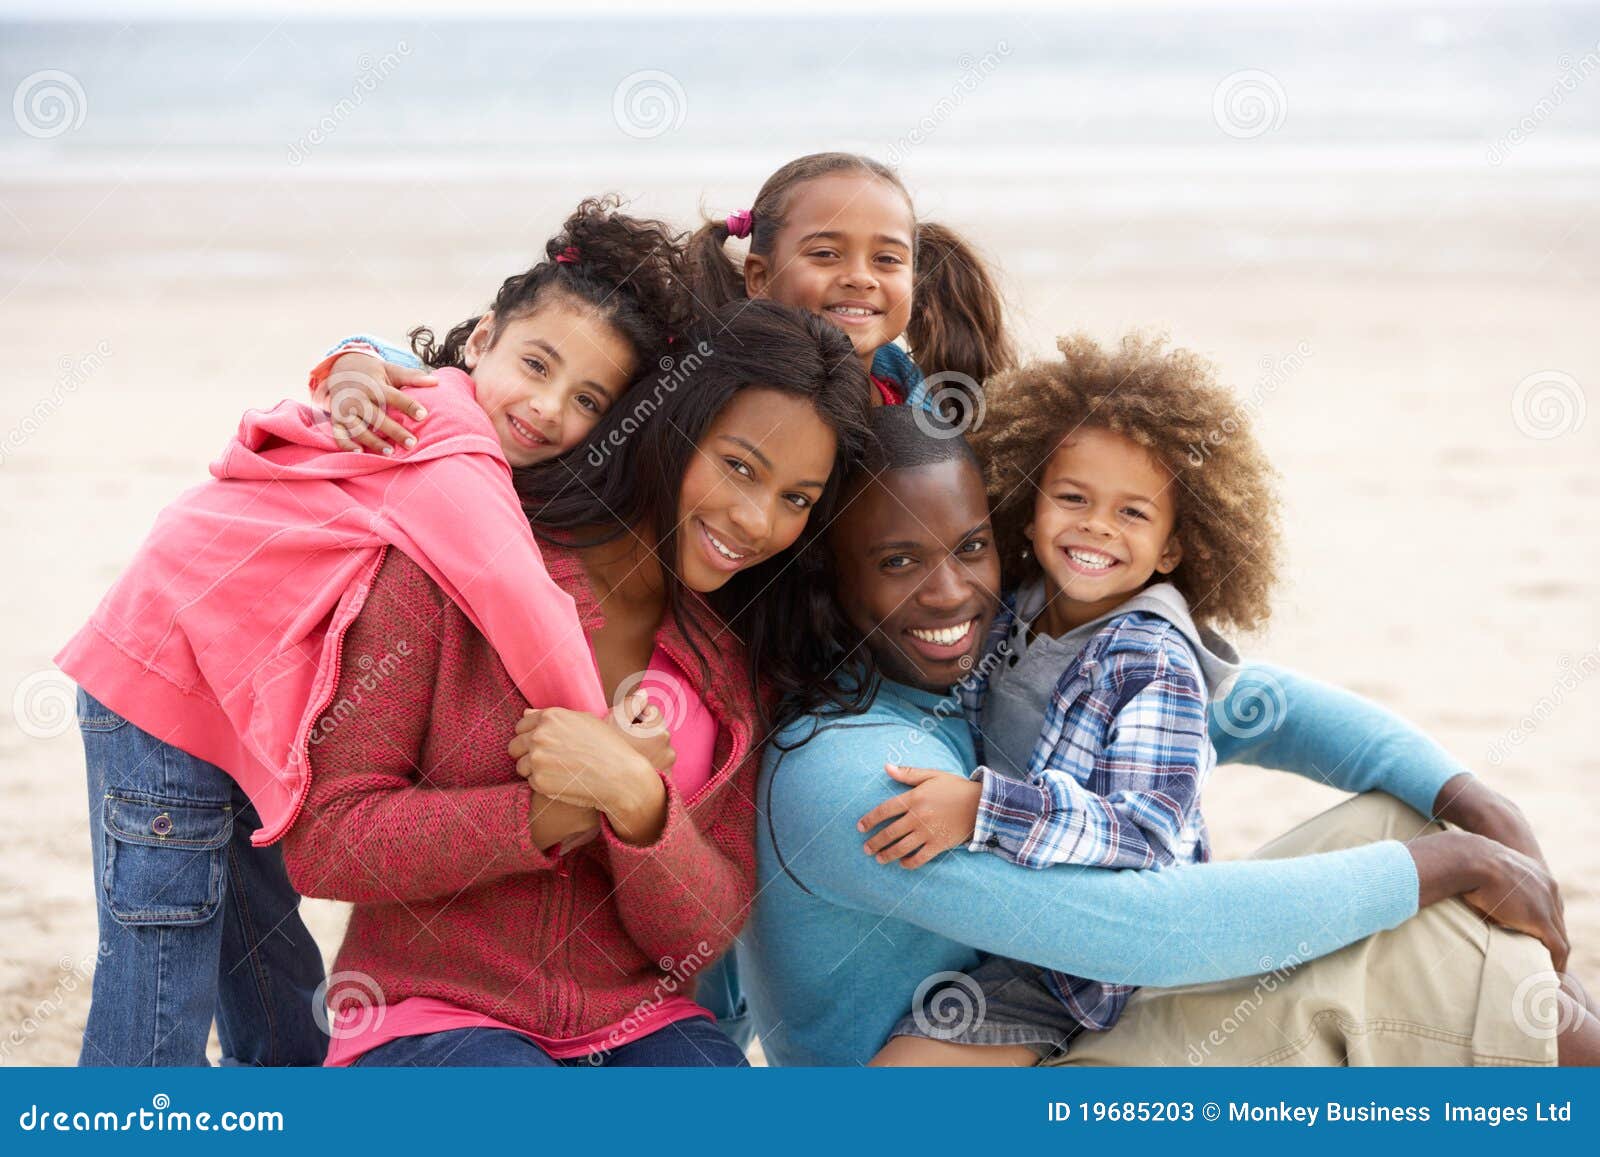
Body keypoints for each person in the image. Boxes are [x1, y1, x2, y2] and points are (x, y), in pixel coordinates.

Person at [738, 403, 1592, 1067]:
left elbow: (1255, 706)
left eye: (971, 548)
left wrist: (1469, 799)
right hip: (1017, 1059)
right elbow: (1148, 931)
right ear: (828, 577)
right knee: (1414, 943)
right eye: (898, 562)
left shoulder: (980, 653)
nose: (950, 592)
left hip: (1062, 1002)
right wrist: (1449, 866)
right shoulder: (854, 772)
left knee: (1402, 819)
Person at [56, 198, 688, 1066]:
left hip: (222, 695)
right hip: (163, 686)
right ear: (482, 339)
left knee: (263, 948)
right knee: (162, 962)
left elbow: (374, 356)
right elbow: (522, 602)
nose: (547, 406)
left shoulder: (426, 399)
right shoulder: (453, 450)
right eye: (537, 364)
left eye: (586, 399)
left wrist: (356, 357)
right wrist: (603, 744)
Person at [280, 300, 873, 1067]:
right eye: (738, 466)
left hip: (637, 1024)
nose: (758, 521)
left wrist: (639, 802)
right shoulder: (464, 560)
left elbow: (700, 933)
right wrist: (542, 815)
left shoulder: (735, 655)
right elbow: (329, 840)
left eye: (796, 498)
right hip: (430, 1014)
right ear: (672, 426)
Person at [313, 152, 1013, 454]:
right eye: (826, 254)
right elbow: (479, 373)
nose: (860, 278)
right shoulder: (709, 364)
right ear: (759, 276)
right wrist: (361, 361)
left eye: (887, 260)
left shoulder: (904, 389)